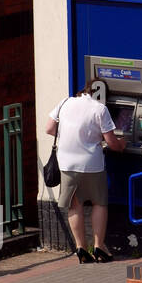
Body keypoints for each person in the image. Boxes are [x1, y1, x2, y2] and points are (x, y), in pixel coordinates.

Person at [46, 88, 125, 263]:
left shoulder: (64, 103)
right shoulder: (99, 109)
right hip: (92, 164)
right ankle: (99, 247)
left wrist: (71, 136)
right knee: (99, 203)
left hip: (67, 163)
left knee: (75, 206)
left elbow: (49, 128)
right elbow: (112, 143)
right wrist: (121, 145)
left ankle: (81, 248)